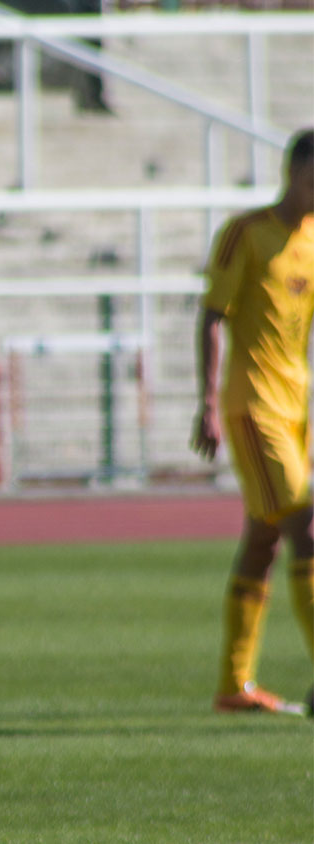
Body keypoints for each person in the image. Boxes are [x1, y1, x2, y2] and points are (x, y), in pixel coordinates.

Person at [192, 127, 314, 717]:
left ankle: (233, 686)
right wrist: (207, 404)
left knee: (264, 539)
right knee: (306, 526)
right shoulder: (245, 234)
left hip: (296, 410)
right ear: (294, 172)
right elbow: (213, 316)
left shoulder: (313, 240)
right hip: (251, 406)